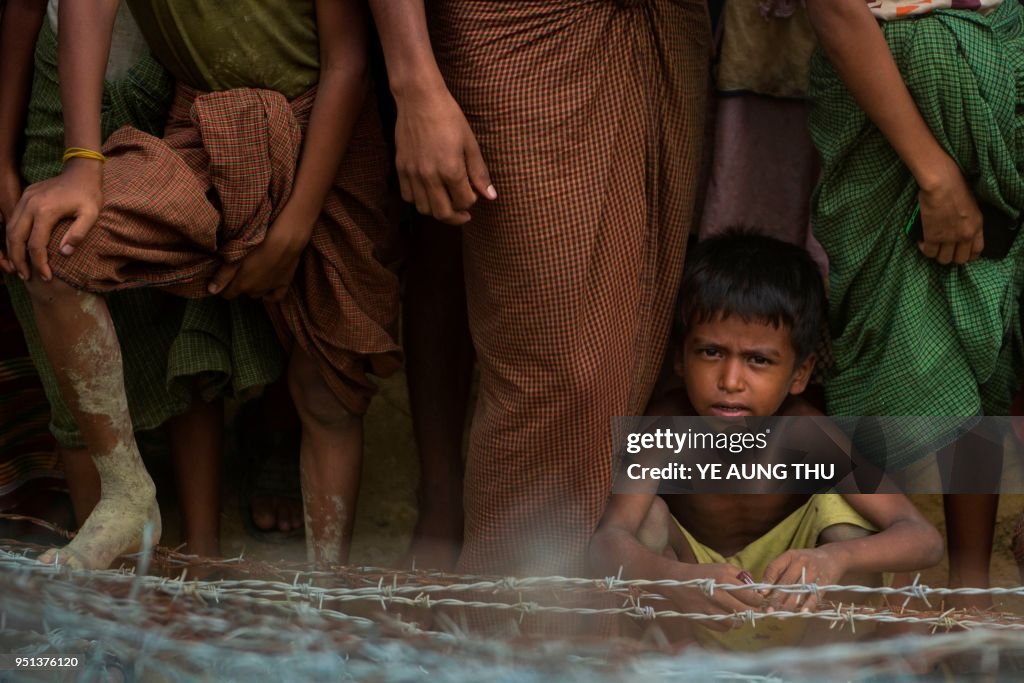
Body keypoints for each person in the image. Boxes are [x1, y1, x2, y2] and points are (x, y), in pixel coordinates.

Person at [4, 0, 400, 569]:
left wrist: (291, 231)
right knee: (57, 245)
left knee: (327, 389)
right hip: (205, 128)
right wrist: (83, 162)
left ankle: (323, 611)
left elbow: (347, 64)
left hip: (325, 133)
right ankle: (126, 494)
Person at [369, 0, 712, 590]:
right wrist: (415, 81)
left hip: (664, 28)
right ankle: (508, 633)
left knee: (633, 353)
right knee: (556, 371)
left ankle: (581, 633)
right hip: (525, 31)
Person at [589, 234, 944, 649]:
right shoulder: (668, 430)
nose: (730, 381)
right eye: (710, 352)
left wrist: (834, 559)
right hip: (690, 611)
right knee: (647, 516)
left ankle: (820, 675)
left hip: (801, 614)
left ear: (800, 373)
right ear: (679, 358)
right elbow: (606, 543)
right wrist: (680, 579)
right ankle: (684, 669)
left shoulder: (806, 435)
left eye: (758, 360)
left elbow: (923, 538)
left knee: (843, 515)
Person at [805, 0, 1024, 597]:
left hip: (1004, 83)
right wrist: (935, 174)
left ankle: (971, 594)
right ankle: (885, 591)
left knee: (986, 350)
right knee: (889, 350)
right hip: (879, 111)